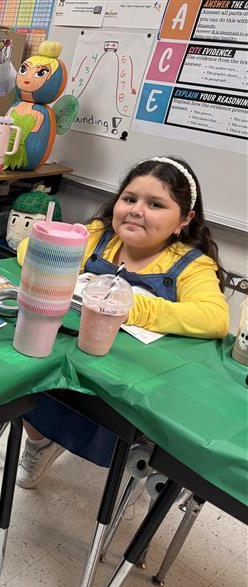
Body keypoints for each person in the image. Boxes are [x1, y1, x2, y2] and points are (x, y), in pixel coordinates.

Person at [15, 156, 229, 488]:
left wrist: (131, 307)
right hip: (68, 359)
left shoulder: (190, 264)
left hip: (128, 382)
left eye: (155, 204)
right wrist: (59, 261)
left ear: (183, 220)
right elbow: (30, 246)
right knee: (23, 380)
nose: (136, 210)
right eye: (129, 199)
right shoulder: (99, 235)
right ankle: (40, 441)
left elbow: (214, 319)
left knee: (106, 426)